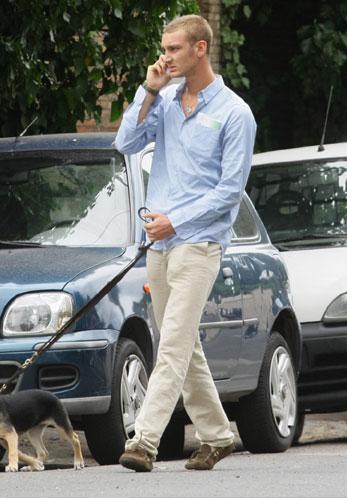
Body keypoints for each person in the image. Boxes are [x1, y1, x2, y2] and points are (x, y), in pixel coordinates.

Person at [114, 14, 257, 472]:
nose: (165, 56)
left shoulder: (234, 113)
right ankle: (217, 436)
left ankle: (145, 440)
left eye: (174, 49)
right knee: (184, 344)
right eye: (164, 48)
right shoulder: (167, 100)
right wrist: (150, 90)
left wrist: (175, 221)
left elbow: (229, 192)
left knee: (172, 343)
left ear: (200, 49)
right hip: (159, 245)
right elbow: (125, 143)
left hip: (198, 245)